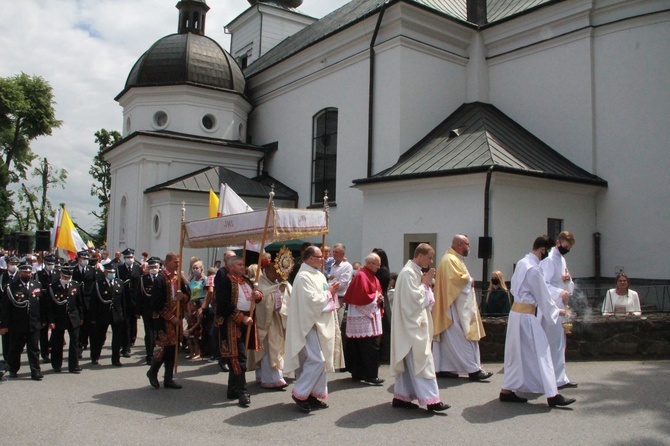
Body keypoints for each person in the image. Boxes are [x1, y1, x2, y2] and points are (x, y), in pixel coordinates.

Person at [499, 235, 576, 407]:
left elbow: (513, 288)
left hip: (515, 314)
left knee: (515, 353)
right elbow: (543, 296)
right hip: (527, 316)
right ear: (542, 249)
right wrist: (559, 311)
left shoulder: (522, 263)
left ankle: (506, 390)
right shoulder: (534, 269)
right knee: (543, 352)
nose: (547, 255)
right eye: (547, 251)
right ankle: (552, 395)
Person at [390, 243, 449, 411]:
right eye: (429, 257)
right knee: (422, 361)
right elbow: (414, 300)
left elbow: (422, 300)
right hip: (413, 326)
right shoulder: (409, 273)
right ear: (420, 255)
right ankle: (431, 400)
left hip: (414, 324)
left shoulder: (414, 271)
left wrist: (424, 283)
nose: (431, 261)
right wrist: (425, 284)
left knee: (410, 364)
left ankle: (402, 397)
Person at [284, 246, 340, 413]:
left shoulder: (319, 274)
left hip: (320, 322)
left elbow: (323, 295)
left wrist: (330, 292)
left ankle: (312, 394)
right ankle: (300, 392)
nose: (323, 259)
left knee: (321, 360)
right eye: (319, 256)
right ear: (309, 258)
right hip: (308, 324)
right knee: (317, 360)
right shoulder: (303, 277)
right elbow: (311, 300)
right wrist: (329, 292)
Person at [432, 235, 492, 381]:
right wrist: (469, 280)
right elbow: (456, 281)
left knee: (454, 341)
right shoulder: (449, 260)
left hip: (456, 306)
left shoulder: (454, 259)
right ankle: (473, 370)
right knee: (462, 339)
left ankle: (446, 368)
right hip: (452, 309)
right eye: (467, 244)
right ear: (459, 244)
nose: (469, 247)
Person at [215, 255, 263, 407]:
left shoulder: (247, 280)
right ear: (230, 267)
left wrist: (258, 296)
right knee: (237, 357)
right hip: (231, 323)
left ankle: (232, 389)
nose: (243, 267)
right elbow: (223, 305)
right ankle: (242, 391)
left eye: (243, 265)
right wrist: (241, 318)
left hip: (246, 321)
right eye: (240, 265)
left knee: (238, 356)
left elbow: (257, 297)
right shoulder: (225, 281)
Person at [539, 231, 577, 389]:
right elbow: (543, 284)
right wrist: (559, 292)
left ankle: (560, 378)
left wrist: (567, 284)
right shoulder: (548, 260)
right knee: (551, 343)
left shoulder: (562, 259)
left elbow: (566, 282)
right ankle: (549, 379)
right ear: (558, 242)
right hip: (551, 306)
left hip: (561, 304)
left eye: (569, 247)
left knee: (560, 344)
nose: (566, 249)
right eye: (565, 246)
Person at [146, 252, 190, 389]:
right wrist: (171, 318)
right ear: (167, 262)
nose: (178, 264)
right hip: (164, 319)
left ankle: (168, 378)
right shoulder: (160, 279)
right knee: (166, 347)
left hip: (177, 317)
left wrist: (183, 297)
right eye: (175, 262)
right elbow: (156, 303)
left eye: (178, 262)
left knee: (174, 348)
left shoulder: (179, 278)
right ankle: (153, 371)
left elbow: (188, 294)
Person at [249, 253, 291, 389]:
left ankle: (268, 376)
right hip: (267, 322)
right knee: (269, 350)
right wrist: (273, 296)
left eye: (278, 272)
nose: (277, 275)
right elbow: (262, 301)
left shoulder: (279, 283)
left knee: (277, 348)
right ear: (266, 271)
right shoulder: (260, 284)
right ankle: (271, 379)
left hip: (278, 320)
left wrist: (284, 292)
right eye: (274, 272)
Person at [343, 252, 384, 385]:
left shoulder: (370, 275)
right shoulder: (362, 275)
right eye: (377, 264)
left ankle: (359, 373)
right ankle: (370, 375)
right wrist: (376, 298)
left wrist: (379, 298)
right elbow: (361, 297)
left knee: (362, 346)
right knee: (368, 347)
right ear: (370, 263)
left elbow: (373, 293)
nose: (378, 267)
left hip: (366, 315)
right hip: (362, 316)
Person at [0, 263, 45, 380]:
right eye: (25, 272)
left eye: (29, 272)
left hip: (34, 323)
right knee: (15, 348)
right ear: (20, 274)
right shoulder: (11, 287)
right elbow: (5, 309)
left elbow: (42, 306)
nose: (27, 274)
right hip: (17, 324)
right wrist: (4, 325)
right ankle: (13, 369)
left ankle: (35, 371)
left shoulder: (37, 285)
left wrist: (44, 320)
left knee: (34, 348)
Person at [46, 266, 84, 373]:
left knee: (75, 342)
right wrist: (51, 321)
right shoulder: (53, 286)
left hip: (73, 317)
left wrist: (81, 317)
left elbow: (79, 303)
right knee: (57, 342)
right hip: (59, 318)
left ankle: (74, 366)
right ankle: (57, 364)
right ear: (61, 275)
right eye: (65, 277)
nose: (67, 279)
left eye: (69, 277)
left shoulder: (75, 285)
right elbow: (49, 307)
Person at [90, 263, 126, 366]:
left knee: (117, 339)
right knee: (99, 337)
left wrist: (123, 315)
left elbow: (123, 301)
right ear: (105, 272)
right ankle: (95, 356)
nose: (112, 274)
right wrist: (93, 317)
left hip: (117, 314)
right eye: (110, 272)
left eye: (113, 272)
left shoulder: (119, 283)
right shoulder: (98, 284)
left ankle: (116, 359)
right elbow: (94, 302)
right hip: (102, 314)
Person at [117, 248, 142, 358]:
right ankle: (125, 347)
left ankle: (132, 340)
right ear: (124, 258)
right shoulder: (120, 269)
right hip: (124, 300)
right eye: (127, 257)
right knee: (125, 324)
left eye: (131, 257)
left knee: (133, 323)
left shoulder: (138, 268)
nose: (129, 259)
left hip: (135, 300)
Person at [137, 257, 161, 364]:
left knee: (160, 332)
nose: (153, 269)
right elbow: (139, 296)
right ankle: (149, 355)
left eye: (155, 267)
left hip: (160, 311)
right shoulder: (143, 279)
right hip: (147, 310)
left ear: (159, 267)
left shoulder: (162, 278)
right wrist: (138, 311)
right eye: (151, 267)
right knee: (149, 333)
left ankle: (161, 354)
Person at [327, 243, 352, 326]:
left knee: (336, 325)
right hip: (329, 298)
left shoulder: (347, 266)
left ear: (343, 254)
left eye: (336, 252)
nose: (334, 254)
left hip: (339, 300)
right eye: (333, 252)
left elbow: (342, 285)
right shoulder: (331, 265)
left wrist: (328, 285)